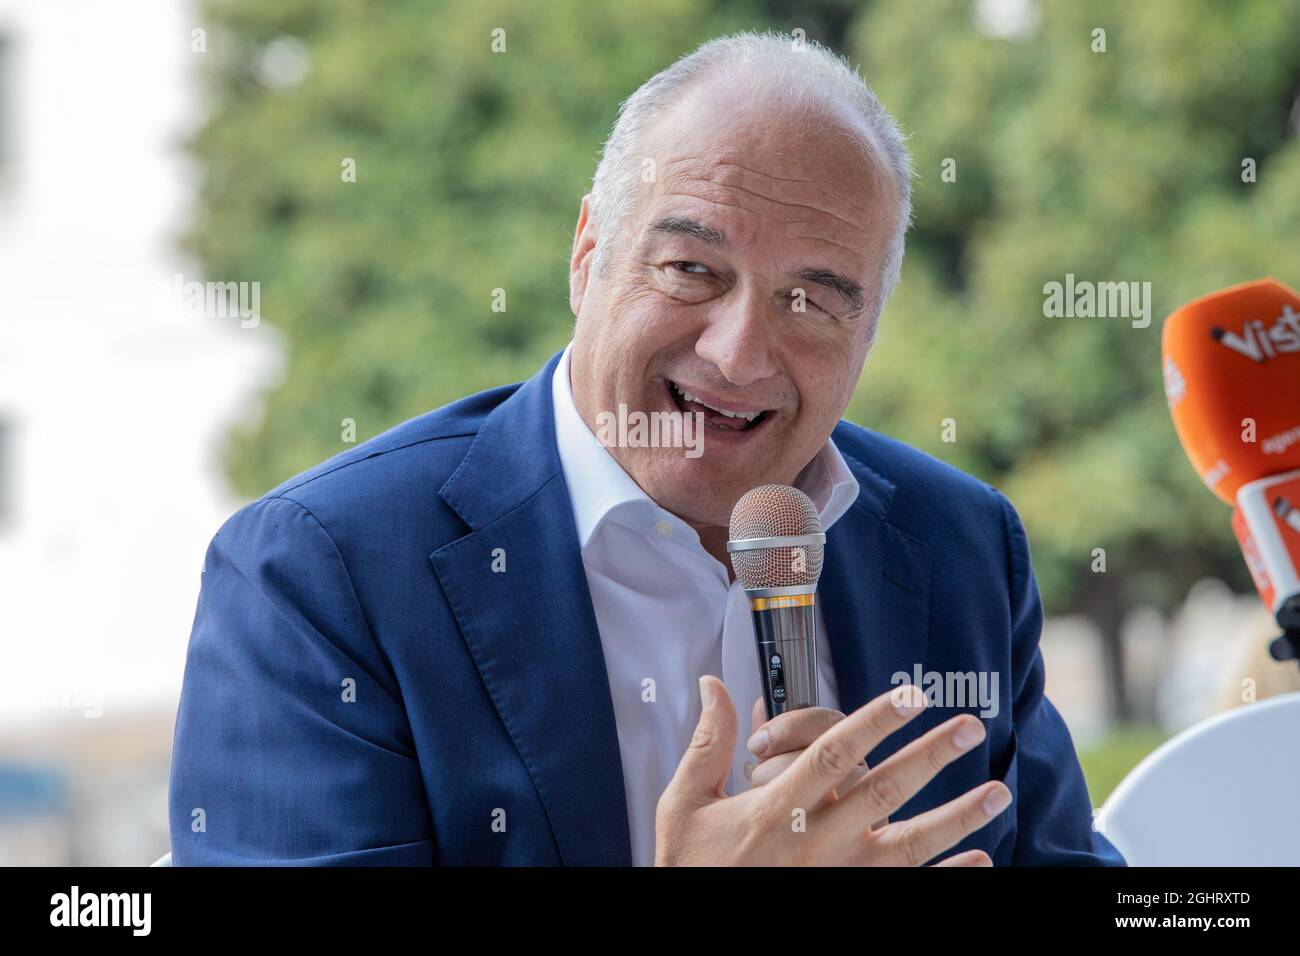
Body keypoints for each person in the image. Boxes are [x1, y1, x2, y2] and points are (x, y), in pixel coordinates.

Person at [169, 31, 1124, 866]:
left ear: (871, 327)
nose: (739, 352)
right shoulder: (320, 571)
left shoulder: (961, 543)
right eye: (691, 269)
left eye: (813, 299)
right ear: (588, 254)